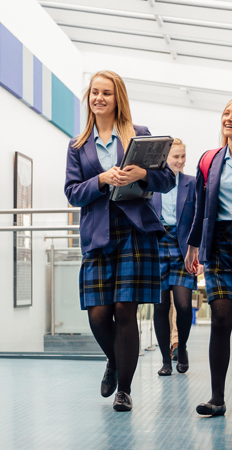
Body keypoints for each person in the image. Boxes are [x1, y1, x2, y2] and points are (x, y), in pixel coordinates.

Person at [64, 70, 175, 412]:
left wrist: (143, 174)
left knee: (125, 310)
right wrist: (100, 178)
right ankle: (114, 360)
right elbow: (72, 192)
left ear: (118, 99)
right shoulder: (78, 146)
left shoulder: (138, 136)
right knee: (98, 315)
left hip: (135, 232)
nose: (99, 98)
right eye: (94, 92)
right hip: (98, 233)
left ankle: (124, 390)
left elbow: (167, 180)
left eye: (106, 93)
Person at [185, 99, 232, 417]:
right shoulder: (210, 160)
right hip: (218, 246)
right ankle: (217, 398)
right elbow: (201, 208)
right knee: (221, 318)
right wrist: (192, 247)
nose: (229, 118)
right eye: (227, 112)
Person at [151, 138, 199, 376]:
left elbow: (200, 219)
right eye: (175, 157)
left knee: (182, 305)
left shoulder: (192, 182)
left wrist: (198, 251)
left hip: (183, 250)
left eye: (182, 156)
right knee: (160, 307)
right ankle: (165, 360)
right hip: (157, 247)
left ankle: (182, 348)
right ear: (165, 159)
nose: (180, 161)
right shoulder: (151, 183)